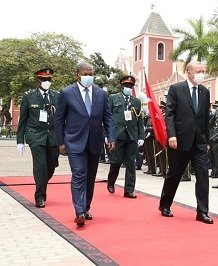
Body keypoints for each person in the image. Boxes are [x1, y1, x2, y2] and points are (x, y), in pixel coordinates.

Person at [54, 62, 116, 227]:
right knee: (79, 174)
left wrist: (111, 137)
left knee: (90, 177)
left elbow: (108, 117)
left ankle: (86, 207)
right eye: (86, 74)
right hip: (74, 142)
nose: (89, 77)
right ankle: (79, 211)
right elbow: (59, 120)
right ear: (78, 75)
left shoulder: (101, 94)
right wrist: (60, 142)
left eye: (91, 74)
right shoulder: (67, 93)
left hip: (94, 142)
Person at [159, 61, 213, 224]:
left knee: (203, 176)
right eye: (198, 71)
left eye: (203, 71)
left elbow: (205, 118)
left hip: (199, 143)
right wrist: (172, 135)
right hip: (180, 141)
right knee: (174, 174)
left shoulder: (204, 91)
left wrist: (207, 140)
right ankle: (165, 204)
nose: (201, 74)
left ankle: (202, 211)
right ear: (189, 72)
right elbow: (170, 114)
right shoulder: (176, 89)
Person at [16, 68, 59, 208]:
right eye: (44, 79)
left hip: (52, 136)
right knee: (40, 166)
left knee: (51, 166)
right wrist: (20, 141)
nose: (47, 82)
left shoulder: (56, 96)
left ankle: (41, 184)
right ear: (37, 80)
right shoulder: (29, 97)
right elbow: (22, 120)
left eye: (49, 79)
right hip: (35, 136)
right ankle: (39, 196)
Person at [106, 75, 144, 198]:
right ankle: (111, 182)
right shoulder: (113, 98)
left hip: (132, 136)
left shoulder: (136, 101)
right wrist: (107, 135)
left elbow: (140, 121)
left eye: (130, 86)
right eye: (126, 86)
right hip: (117, 135)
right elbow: (107, 118)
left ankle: (129, 190)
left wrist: (141, 136)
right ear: (121, 86)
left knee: (131, 164)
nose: (128, 88)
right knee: (116, 162)